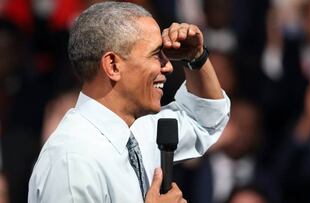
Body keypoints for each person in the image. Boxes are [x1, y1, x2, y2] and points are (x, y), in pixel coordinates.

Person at [28, 1, 230, 203]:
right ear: (113, 65)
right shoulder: (72, 159)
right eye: (155, 55)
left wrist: (195, 58)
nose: (168, 66)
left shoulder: (138, 130)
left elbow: (205, 118)